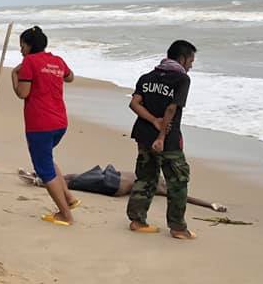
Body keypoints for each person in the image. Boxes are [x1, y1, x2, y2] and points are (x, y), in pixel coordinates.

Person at [126, 40, 198, 240]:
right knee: (177, 180)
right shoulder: (181, 79)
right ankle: (178, 228)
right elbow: (171, 109)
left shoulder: (147, 77)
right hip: (167, 138)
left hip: (143, 133)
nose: (191, 65)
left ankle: (137, 220)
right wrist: (161, 135)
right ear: (183, 58)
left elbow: (134, 104)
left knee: (146, 177)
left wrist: (152, 121)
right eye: (191, 61)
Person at [12, 26, 77, 227]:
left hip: (40, 124)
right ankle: (69, 197)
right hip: (60, 122)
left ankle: (65, 214)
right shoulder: (56, 60)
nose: (21, 50)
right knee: (47, 158)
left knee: (44, 169)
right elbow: (70, 76)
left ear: (29, 45)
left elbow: (23, 93)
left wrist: (14, 76)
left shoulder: (29, 62)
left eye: (22, 45)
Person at [18, 166, 227, 212]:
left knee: (73, 181)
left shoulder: (159, 183)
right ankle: (38, 177)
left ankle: (39, 180)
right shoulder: (152, 174)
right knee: (74, 178)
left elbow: (185, 198)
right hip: (111, 180)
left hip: (112, 184)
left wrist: (211, 205)